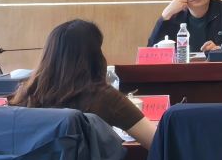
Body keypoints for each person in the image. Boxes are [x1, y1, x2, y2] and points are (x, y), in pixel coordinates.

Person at [10, 19, 157, 146]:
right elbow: (156, 142)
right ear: (95, 56)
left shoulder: (27, 94)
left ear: (48, 55)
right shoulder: (104, 97)